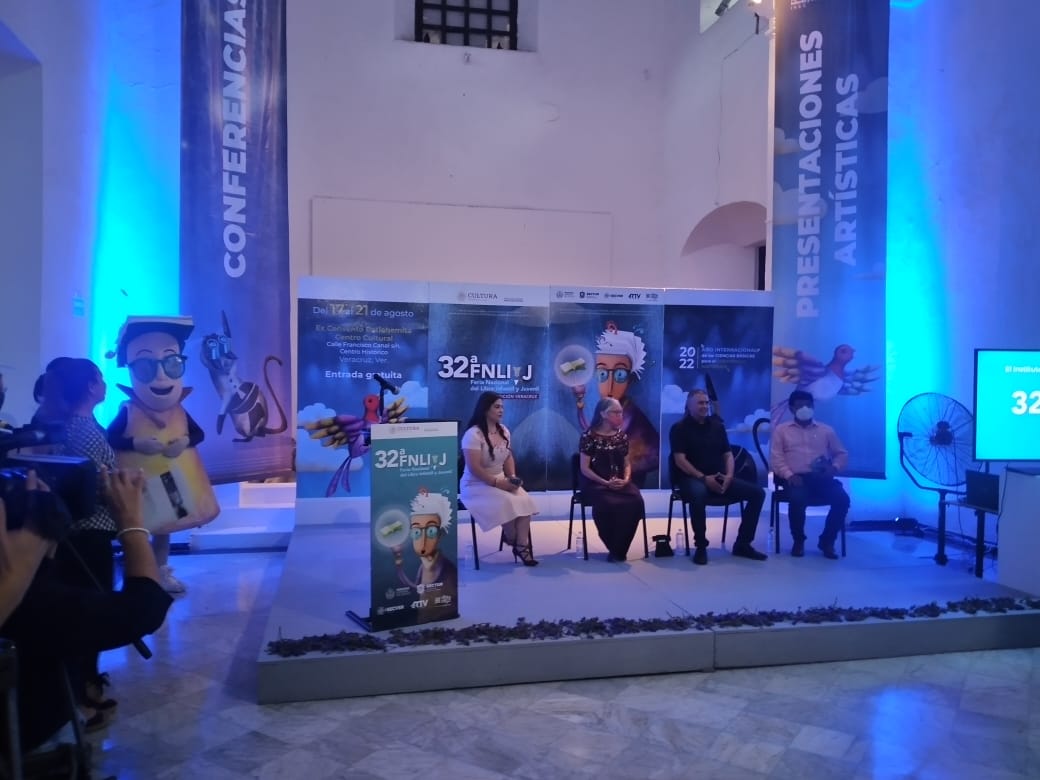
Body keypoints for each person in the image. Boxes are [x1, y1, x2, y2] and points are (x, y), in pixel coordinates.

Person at [0, 466, 172, 756]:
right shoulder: (37, 604)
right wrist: (131, 523)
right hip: (34, 739)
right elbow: (144, 607)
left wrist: (34, 555)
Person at [43, 358, 124, 729]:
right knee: (88, 615)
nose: (105, 384)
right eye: (100, 378)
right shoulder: (85, 433)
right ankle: (80, 694)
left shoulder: (77, 426)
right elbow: (96, 487)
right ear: (90, 386)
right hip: (89, 534)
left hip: (84, 534)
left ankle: (85, 686)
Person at [669, 389, 767, 565]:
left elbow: (728, 455)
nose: (705, 406)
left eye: (706, 403)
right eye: (700, 403)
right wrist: (703, 478)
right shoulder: (679, 429)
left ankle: (743, 544)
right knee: (698, 494)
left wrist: (729, 476)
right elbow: (680, 460)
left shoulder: (717, 427)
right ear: (689, 405)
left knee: (758, 493)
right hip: (691, 478)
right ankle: (701, 546)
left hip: (719, 477)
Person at [573, 322, 659, 487]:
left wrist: (624, 479)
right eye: (602, 374)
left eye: (620, 374)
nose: (610, 384)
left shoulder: (633, 421)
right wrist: (579, 398)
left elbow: (635, 461)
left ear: (630, 379)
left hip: (626, 481)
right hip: (600, 483)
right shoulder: (591, 432)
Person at [459, 392, 539, 566]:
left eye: (502, 406)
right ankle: (514, 540)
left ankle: (521, 545)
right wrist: (497, 483)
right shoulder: (473, 434)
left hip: (501, 479)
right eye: (497, 407)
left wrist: (512, 478)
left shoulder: (504, 431)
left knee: (525, 501)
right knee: (506, 503)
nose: (501, 410)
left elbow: (508, 457)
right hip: (476, 484)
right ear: (485, 409)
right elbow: (474, 468)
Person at [770, 389, 850, 559]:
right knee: (797, 499)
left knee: (842, 499)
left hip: (821, 478)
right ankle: (798, 540)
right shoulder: (782, 431)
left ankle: (827, 541)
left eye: (808, 405)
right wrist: (789, 475)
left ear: (813, 407)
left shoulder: (826, 430)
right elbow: (776, 458)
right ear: (792, 409)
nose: (805, 409)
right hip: (795, 478)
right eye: (800, 406)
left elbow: (841, 454)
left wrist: (834, 468)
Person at [578, 397, 646, 562]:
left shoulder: (621, 436)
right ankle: (615, 548)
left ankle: (620, 547)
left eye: (621, 412)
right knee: (607, 503)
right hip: (596, 483)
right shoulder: (589, 436)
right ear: (603, 414)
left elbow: (626, 462)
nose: (620, 416)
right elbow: (585, 468)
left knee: (636, 500)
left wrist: (626, 479)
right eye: (615, 412)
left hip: (620, 481)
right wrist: (605, 482)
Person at [396, 489, 458, 624]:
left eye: (431, 531)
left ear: (440, 534)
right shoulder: (422, 566)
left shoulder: (445, 569)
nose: (423, 540)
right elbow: (414, 586)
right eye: (416, 531)